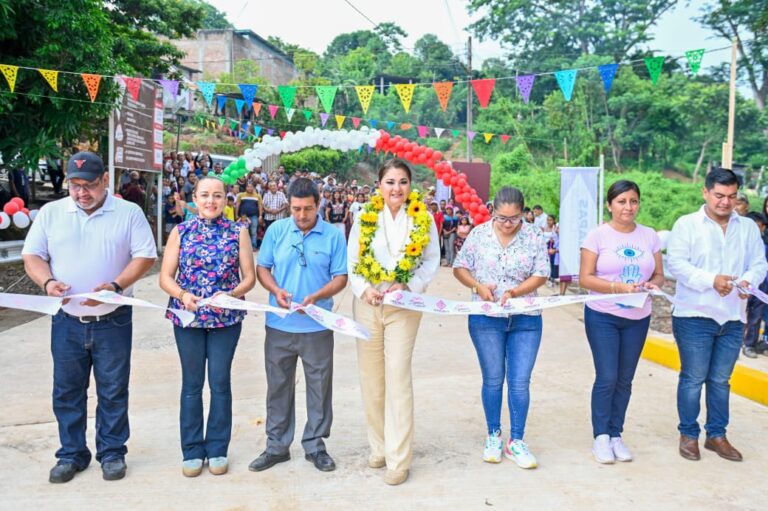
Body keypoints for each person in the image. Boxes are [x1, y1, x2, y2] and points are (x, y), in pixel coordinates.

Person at [21, 151, 156, 483]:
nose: (82, 192)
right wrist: (48, 281)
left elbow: (145, 256)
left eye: (90, 185)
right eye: (75, 185)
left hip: (113, 317)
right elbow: (32, 256)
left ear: (105, 181)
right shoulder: (52, 213)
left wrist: (115, 285)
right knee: (67, 390)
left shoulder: (128, 213)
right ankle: (71, 453)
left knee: (112, 388)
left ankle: (111, 452)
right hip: (66, 320)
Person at [347, 159, 440, 485]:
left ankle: (399, 459)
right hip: (368, 306)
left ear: (410, 186)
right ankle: (379, 447)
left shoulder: (423, 218)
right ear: (379, 185)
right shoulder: (364, 217)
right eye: (390, 182)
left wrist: (409, 286)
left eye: (402, 182)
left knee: (397, 376)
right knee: (371, 379)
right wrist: (365, 289)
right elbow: (354, 262)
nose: (396, 188)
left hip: (404, 306)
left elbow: (430, 262)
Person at [667, 168, 767, 462]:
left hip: (733, 317)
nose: (726, 202)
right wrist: (711, 280)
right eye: (719, 196)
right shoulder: (687, 225)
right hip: (694, 315)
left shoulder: (748, 227)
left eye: (732, 197)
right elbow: (677, 265)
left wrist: (749, 280)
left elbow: (759, 263)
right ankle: (688, 434)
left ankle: (717, 435)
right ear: (706, 193)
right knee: (693, 378)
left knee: (721, 380)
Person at [249, 178, 348, 474]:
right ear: (288, 206)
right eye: (295, 209)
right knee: (278, 385)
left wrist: (318, 296)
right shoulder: (278, 231)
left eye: (307, 209)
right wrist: (276, 290)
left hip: (317, 326)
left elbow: (341, 277)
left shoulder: (333, 235)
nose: (301, 215)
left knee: (319, 386)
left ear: (319, 205)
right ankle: (277, 446)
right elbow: (262, 268)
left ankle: (315, 445)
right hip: (279, 324)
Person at [159, 176, 256, 477]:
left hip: (225, 320)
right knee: (191, 385)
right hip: (187, 319)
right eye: (204, 195)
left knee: (219, 382)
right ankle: (191, 450)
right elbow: (165, 277)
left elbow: (249, 277)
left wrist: (231, 295)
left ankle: (217, 448)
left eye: (217, 195)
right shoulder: (181, 231)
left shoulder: (238, 232)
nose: (210, 201)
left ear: (227, 199)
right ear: (195, 199)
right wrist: (183, 295)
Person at [452, 186, 549, 469]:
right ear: (492, 210)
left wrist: (516, 292)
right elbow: (460, 267)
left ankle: (516, 440)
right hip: (485, 319)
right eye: (502, 218)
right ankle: (493, 434)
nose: (508, 224)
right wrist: (478, 286)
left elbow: (541, 273)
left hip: (526, 318)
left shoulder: (534, 235)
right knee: (493, 379)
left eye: (515, 218)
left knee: (520, 382)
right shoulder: (479, 234)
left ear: (523, 214)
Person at [579, 180, 665, 464]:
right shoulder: (597, 236)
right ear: (609, 205)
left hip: (638, 317)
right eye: (622, 201)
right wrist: (619, 288)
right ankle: (600, 436)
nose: (628, 207)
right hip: (603, 315)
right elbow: (585, 278)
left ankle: (616, 434)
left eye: (633, 201)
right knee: (607, 377)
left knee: (625, 379)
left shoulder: (650, 236)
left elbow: (659, 276)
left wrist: (651, 284)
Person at [741, 211, 768, 358]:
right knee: (738, 314)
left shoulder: (765, 244)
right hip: (741, 285)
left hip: (761, 287)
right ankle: (737, 341)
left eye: (758, 227)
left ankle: (749, 344)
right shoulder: (738, 243)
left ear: (763, 227)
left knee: (755, 317)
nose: (755, 230)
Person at [235, 182, 263, 250]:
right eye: (248, 186)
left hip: (254, 216)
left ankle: (253, 246)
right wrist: (236, 214)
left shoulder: (258, 196)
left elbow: (260, 206)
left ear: (253, 188)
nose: (249, 188)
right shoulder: (241, 195)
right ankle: (243, 247)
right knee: (243, 232)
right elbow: (237, 205)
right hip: (243, 217)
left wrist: (260, 216)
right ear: (246, 187)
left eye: (251, 186)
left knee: (253, 231)